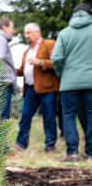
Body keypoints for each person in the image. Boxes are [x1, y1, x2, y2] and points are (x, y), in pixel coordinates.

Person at [51, 3, 92, 162]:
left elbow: (56, 58)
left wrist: (63, 74)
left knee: (68, 115)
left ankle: (73, 152)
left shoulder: (64, 33)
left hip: (69, 83)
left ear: (74, 15)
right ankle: (90, 153)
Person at [14, 23, 59, 152]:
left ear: (37, 32)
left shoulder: (49, 44)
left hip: (47, 88)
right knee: (25, 117)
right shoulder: (26, 52)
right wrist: (12, 70)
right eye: (25, 33)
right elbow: (23, 70)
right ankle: (21, 144)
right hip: (29, 89)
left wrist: (40, 62)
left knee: (49, 117)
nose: (26, 36)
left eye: (28, 33)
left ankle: (50, 146)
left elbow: (56, 62)